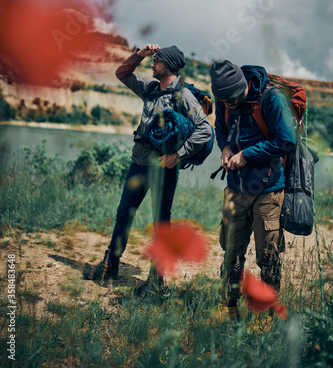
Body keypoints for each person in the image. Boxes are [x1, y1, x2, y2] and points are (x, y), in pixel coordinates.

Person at [85, 44, 212, 284]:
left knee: (161, 223)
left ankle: (157, 279)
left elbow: (205, 130)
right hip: (139, 162)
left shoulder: (183, 96)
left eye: (156, 61)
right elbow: (122, 74)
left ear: (169, 65)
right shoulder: (150, 88)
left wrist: (179, 155)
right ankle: (110, 264)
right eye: (152, 60)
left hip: (165, 169)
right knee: (124, 213)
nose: (152, 64)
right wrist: (139, 55)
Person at [210, 60, 296, 320]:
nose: (227, 106)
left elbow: (286, 140)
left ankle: (267, 316)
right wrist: (225, 147)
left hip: (268, 189)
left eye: (232, 102)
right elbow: (221, 128)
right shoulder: (224, 97)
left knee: (267, 256)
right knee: (231, 251)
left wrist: (246, 155)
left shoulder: (272, 99)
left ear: (243, 87)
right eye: (223, 102)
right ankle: (229, 309)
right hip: (236, 187)